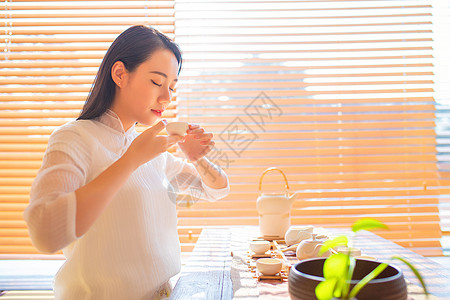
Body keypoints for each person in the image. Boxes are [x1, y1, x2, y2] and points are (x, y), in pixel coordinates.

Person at [23, 25, 230, 300]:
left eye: (172, 87)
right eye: (157, 82)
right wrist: (132, 159)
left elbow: (217, 189)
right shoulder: (75, 138)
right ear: (120, 74)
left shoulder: (149, 147)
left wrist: (197, 158)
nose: (167, 97)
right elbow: (46, 233)